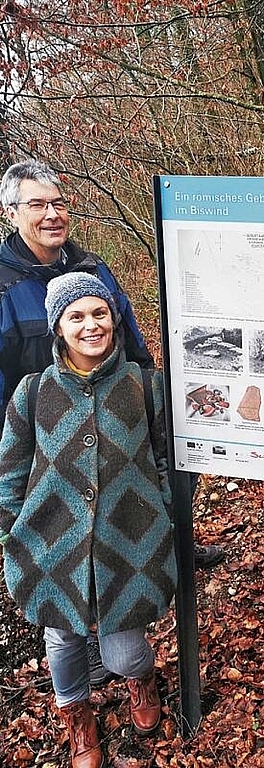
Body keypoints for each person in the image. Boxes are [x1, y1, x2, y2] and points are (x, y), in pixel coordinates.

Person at [0, 161, 224, 576]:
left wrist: (148, 385)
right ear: (11, 213)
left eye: (59, 203)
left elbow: (128, 331)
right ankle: (69, 614)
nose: (52, 214)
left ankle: (172, 546)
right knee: (65, 540)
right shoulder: (5, 285)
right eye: (37, 205)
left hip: (119, 413)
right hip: (46, 433)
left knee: (158, 480)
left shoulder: (90, 266)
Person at [0, 272, 178, 768]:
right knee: (62, 641)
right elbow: (10, 473)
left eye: (99, 312)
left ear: (114, 317)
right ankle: (77, 717)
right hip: (49, 544)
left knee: (122, 653)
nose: (90, 325)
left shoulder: (146, 387)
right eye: (75, 316)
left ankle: (141, 678)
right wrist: (12, 533)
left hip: (131, 542)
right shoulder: (32, 393)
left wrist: (161, 513)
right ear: (58, 326)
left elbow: (165, 460)